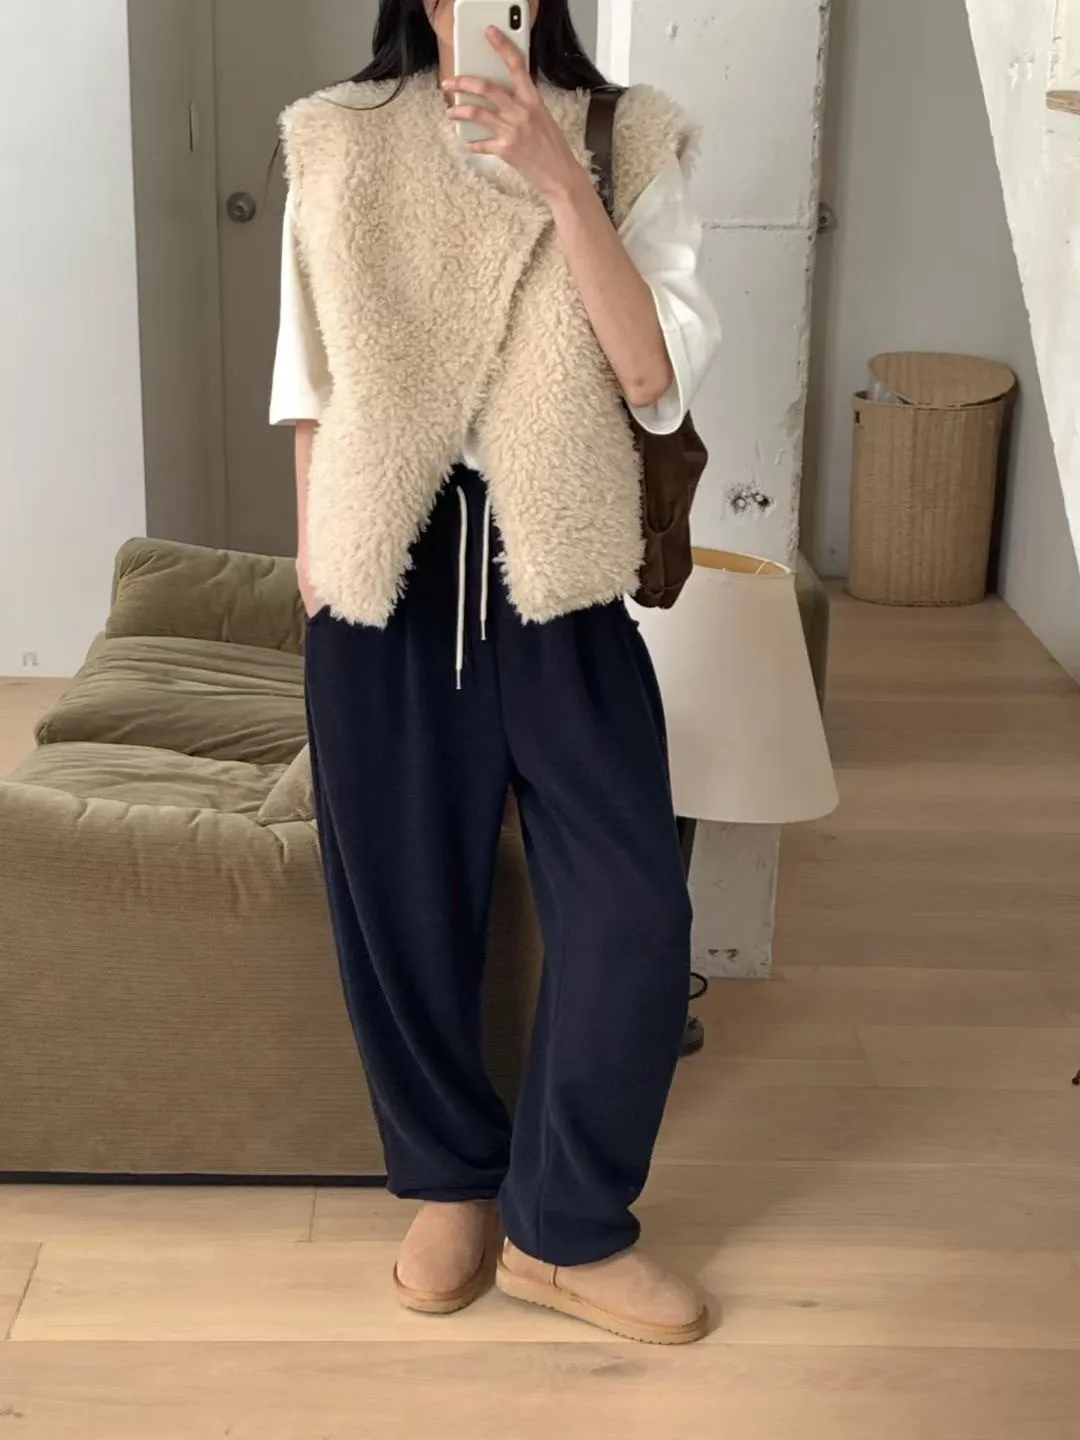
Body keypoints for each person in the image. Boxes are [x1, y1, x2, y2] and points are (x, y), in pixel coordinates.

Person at [271, 0, 720, 1345]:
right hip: (388, 573)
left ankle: (565, 1225)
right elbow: (310, 375)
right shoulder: (335, 137)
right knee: (401, 908)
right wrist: (315, 554)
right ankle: (453, 1179)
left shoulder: (633, 138)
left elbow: (655, 380)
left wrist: (559, 176)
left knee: (634, 913)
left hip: (558, 569)